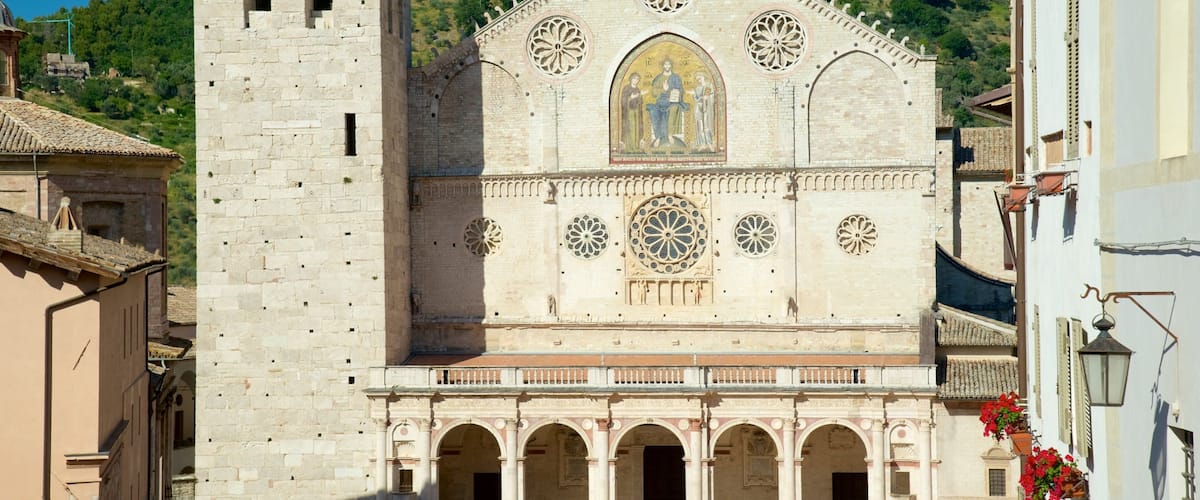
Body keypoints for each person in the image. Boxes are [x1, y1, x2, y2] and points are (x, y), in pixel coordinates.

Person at [647, 58, 689, 149]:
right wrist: (663, 89)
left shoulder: (676, 77)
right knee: (654, 111)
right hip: (661, 101)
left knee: (674, 108)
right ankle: (658, 137)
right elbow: (653, 92)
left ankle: (670, 134)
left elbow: (681, 90)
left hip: (672, 101)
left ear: (671, 65)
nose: (667, 66)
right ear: (663, 66)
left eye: (669, 64)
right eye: (665, 64)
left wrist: (675, 93)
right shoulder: (658, 78)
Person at [620, 73, 646, 153]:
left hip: (636, 112)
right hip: (629, 112)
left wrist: (640, 95)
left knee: (637, 129)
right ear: (631, 79)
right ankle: (630, 148)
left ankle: (636, 147)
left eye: (637, 79)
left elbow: (640, 102)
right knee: (631, 129)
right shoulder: (626, 88)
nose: (636, 81)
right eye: (634, 79)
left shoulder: (637, 89)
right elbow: (623, 101)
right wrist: (630, 98)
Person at [692, 72, 715, 152]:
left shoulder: (709, 86)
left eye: (700, 78)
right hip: (698, 107)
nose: (699, 80)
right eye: (697, 79)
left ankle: (709, 144)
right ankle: (702, 144)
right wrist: (697, 97)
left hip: (706, 108)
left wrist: (708, 98)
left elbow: (712, 96)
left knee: (706, 126)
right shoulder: (697, 88)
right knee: (700, 126)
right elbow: (695, 99)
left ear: (703, 77)